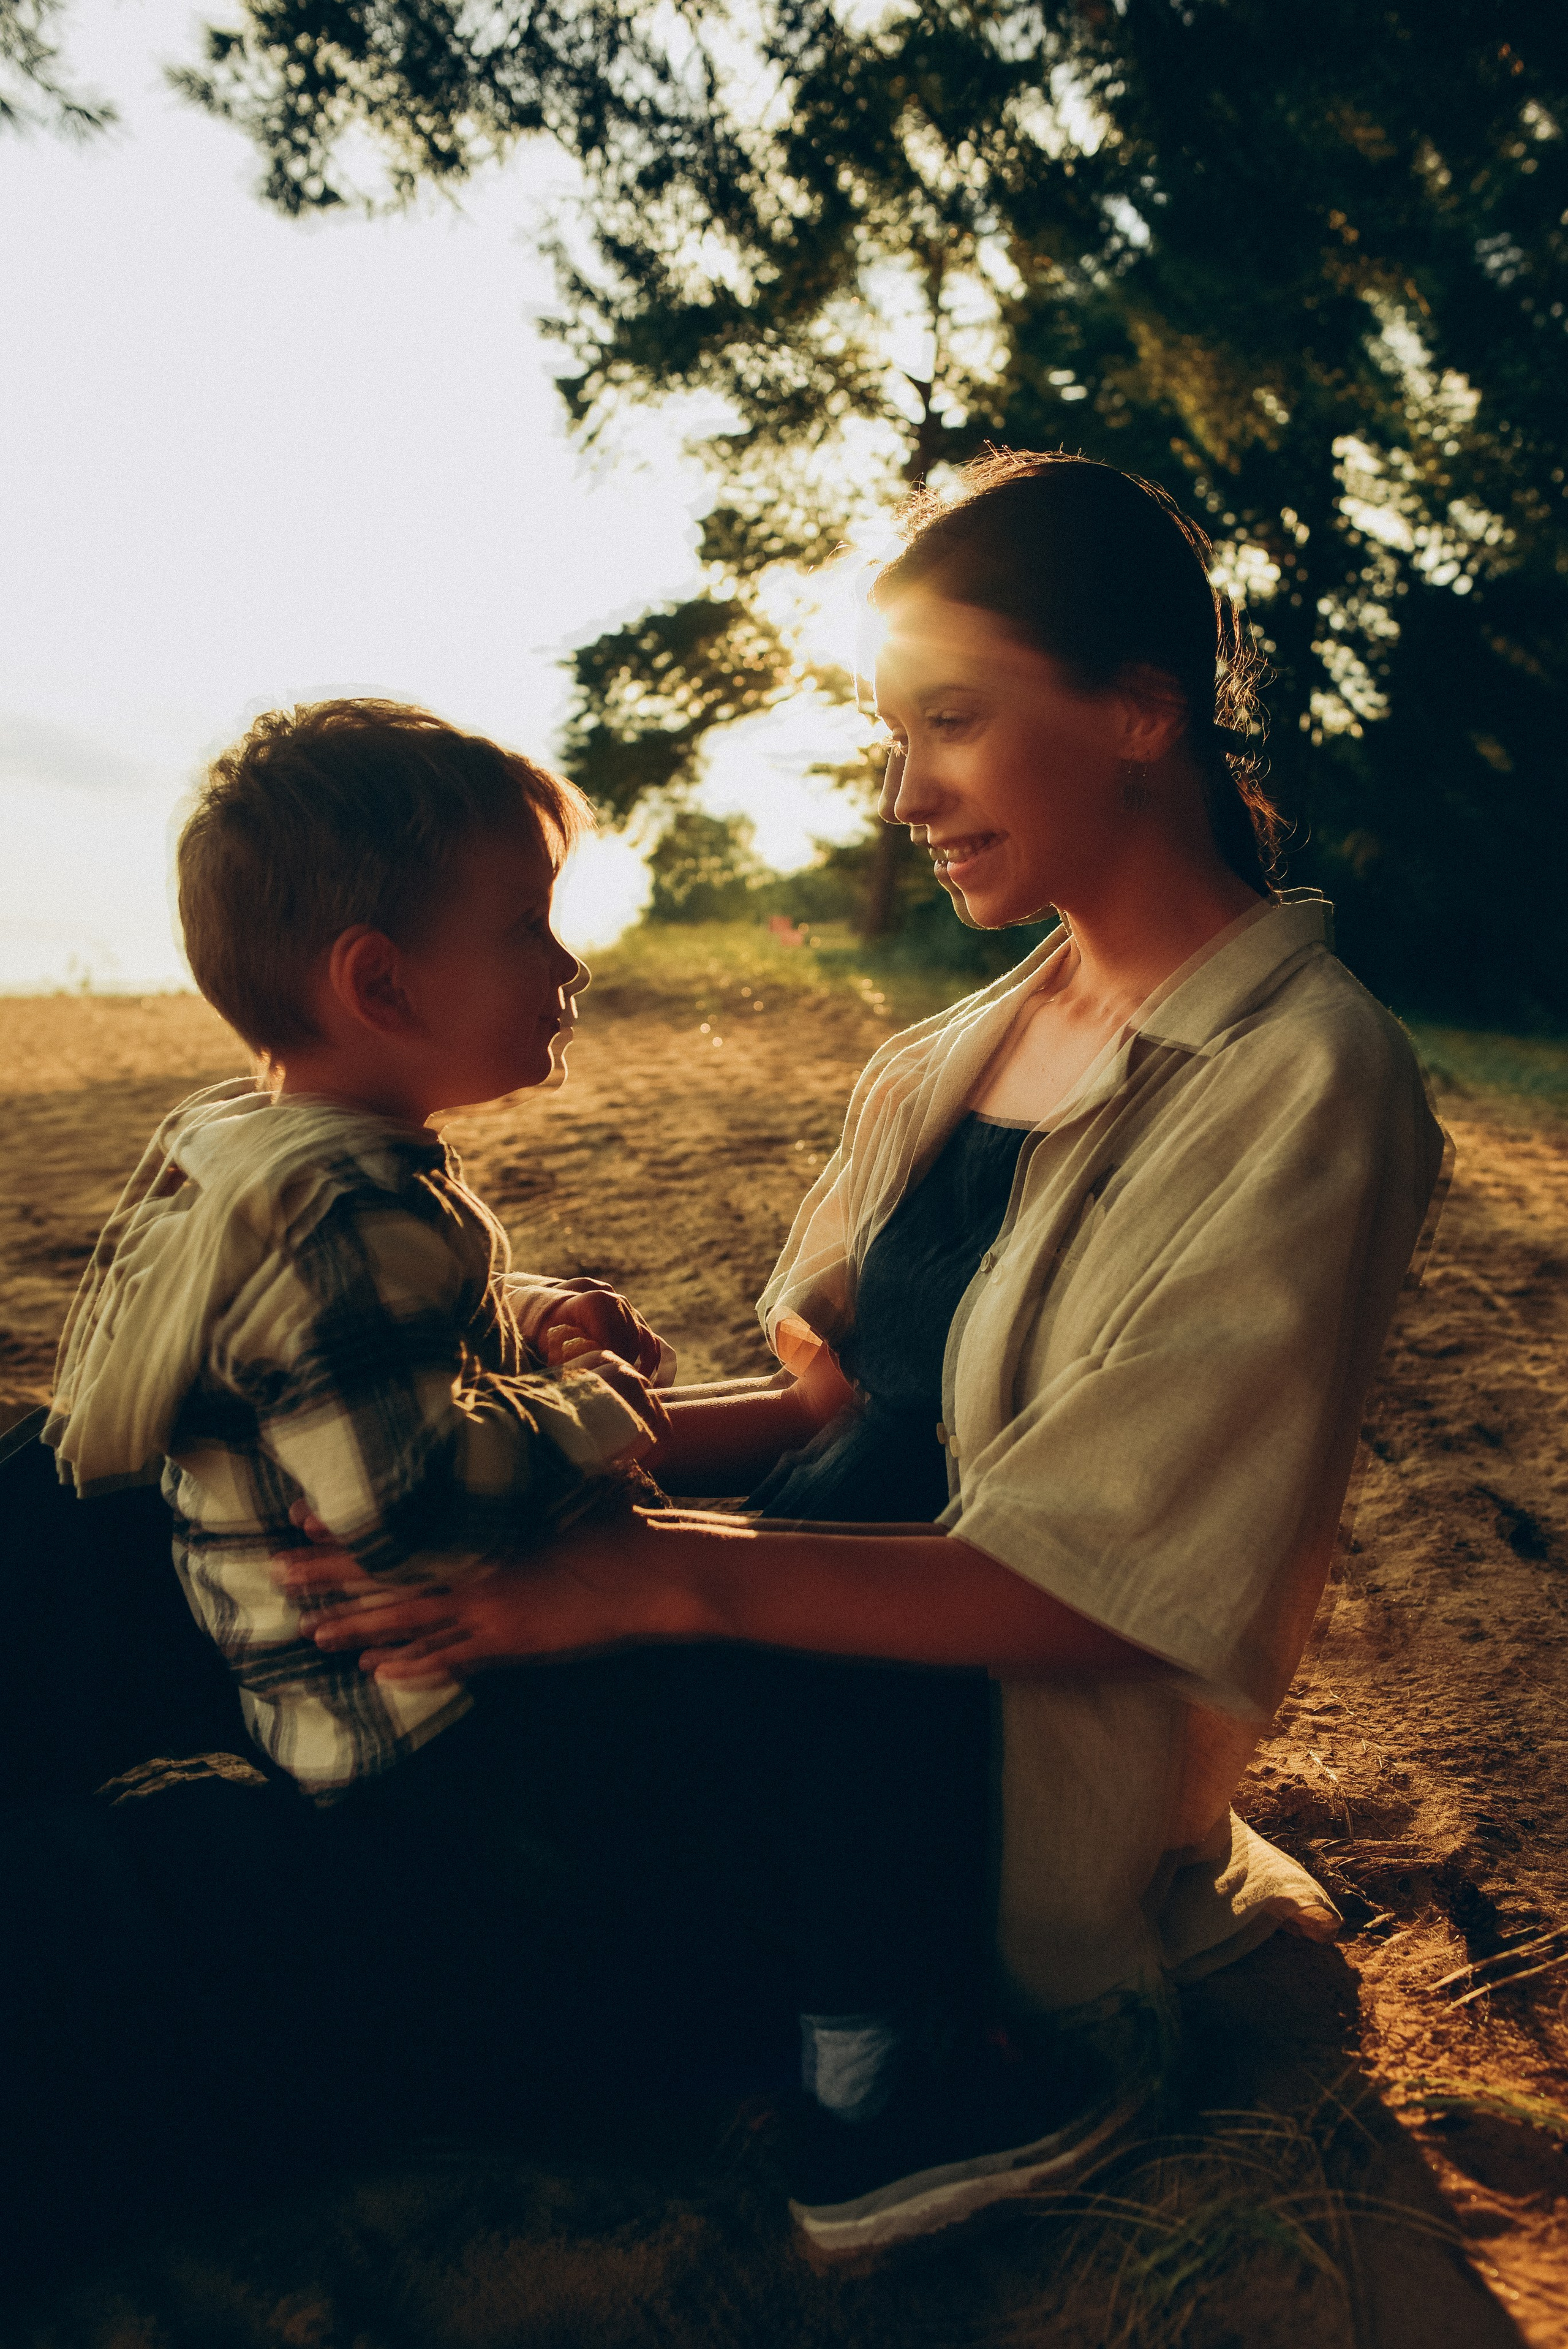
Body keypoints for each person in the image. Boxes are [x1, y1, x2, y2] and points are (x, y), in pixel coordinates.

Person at [282, 453, 1450, 2258]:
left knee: (191, 1913)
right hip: (725, 1663)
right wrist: (480, 1466)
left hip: (908, 1827)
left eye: (954, 724)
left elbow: (1109, 1587)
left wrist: (650, 1580)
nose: (906, 791)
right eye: (893, 734)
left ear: (1142, 712)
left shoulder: (1309, 1078)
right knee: (116, 1537)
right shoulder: (950, 1055)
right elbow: (832, 1408)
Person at [38, 697, 987, 2161]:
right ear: (381, 981)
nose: (568, 964)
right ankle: (870, 2084)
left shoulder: (245, 1144)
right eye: (527, 927)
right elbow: (409, 1503)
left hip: (313, 1696)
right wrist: (593, 1406)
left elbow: (320, 1337)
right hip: (436, 1741)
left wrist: (517, 1305)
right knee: (834, 1697)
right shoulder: (352, 1211)